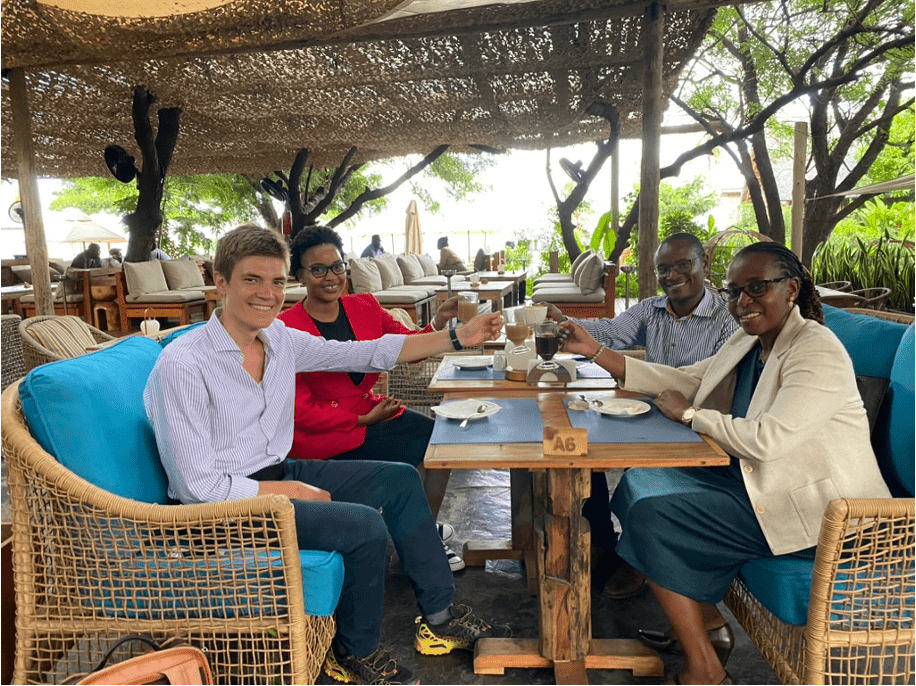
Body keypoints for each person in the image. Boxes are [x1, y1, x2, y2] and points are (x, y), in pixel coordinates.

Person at [145, 224, 510, 686]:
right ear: (220, 282)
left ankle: (440, 619)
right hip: (221, 510)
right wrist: (288, 490)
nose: (267, 293)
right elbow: (198, 487)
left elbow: (372, 350)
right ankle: (353, 652)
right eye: (251, 280)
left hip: (276, 471)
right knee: (362, 525)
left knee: (400, 480)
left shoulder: (279, 340)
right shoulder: (183, 364)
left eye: (276, 282)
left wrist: (460, 336)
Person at [559, 242, 891, 685]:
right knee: (639, 483)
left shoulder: (816, 350)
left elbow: (768, 439)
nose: (742, 302)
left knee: (653, 514)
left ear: (791, 289)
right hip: (757, 485)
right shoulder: (751, 337)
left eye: (757, 288)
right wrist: (596, 351)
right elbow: (692, 379)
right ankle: (707, 623)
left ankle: (705, 667)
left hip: (820, 513)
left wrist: (693, 415)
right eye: (734, 292)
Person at [539, 233, 738, 597]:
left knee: (619, 462)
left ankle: (638, 558)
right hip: (647, 412)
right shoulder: (652, 308)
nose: (672, 275)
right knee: (585, 452)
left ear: (704, 266)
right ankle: (600, 541)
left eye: (682, 265)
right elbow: (610, 332)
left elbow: (713, 385)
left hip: (696, 422)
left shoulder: (727, 322)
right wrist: (565, 320)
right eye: (664, 268)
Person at [278, 225, 464, 571]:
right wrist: (362, 420)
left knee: (441, 442)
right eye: (318, 270)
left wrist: (439, 320)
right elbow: (297, 409)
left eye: (337, 266)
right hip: (323, 434)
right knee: (414, 453)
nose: (331, 277)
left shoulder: (363, 305)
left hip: (370, 412)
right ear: (299, 275)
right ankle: (416, 539)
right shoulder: (286, 327)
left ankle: (421, 533)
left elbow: (408, 347)